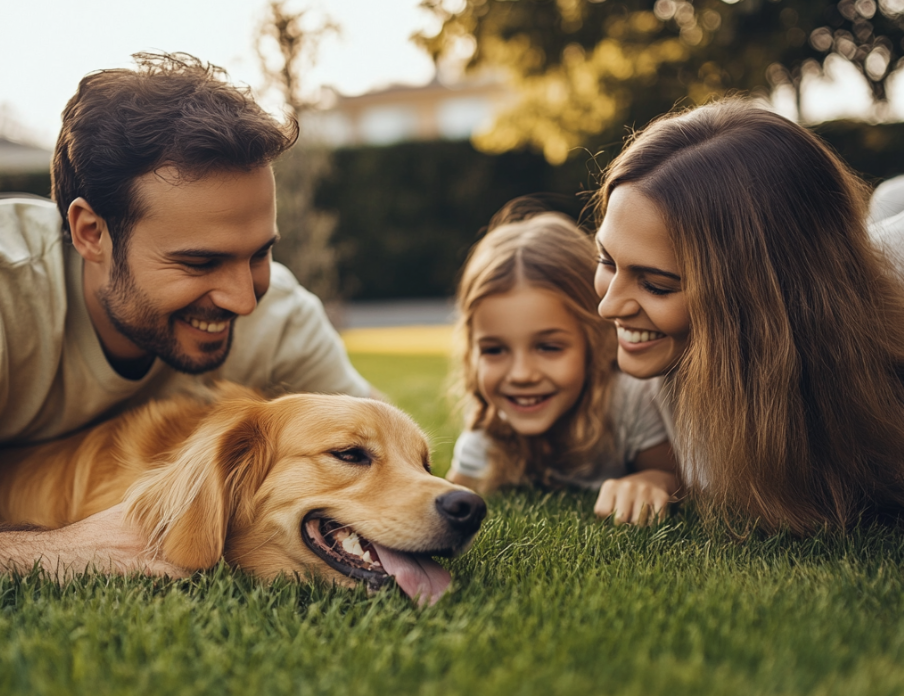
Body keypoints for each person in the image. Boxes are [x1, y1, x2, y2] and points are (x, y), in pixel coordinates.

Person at [0, 53, 373, 577]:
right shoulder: (8, 294)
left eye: (261, 253)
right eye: (200, 262)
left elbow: (385, 466)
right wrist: (63, 550)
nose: (244, 300)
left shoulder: (282, 315)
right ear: (91, 233)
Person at [594, 99, 904, 535]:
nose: (609, 306)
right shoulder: (671, 370)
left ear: (755, 301)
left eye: (656, 285)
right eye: (606, 259)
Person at [446, 200, 678, 525]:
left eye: (548, 347)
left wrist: (652, 481)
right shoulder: (486, 435)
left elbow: (675, 475)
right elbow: (447, 501)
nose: (521, 375)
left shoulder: (628, 399)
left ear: (594, 342)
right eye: (494, 350)